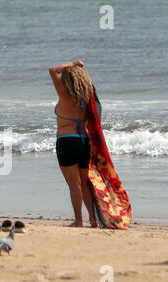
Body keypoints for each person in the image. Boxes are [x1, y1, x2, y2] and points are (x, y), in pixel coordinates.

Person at [49, 60, 98, 228]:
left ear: (67, 79)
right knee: (84, 183)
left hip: (66, 141)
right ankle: (93, 219)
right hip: (83, 142)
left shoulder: (64, 94)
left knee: (73, 184)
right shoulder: (87, 98)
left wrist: (72, 63)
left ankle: (78, 220)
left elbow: (53, 70)